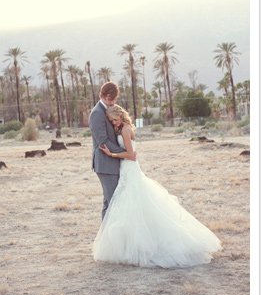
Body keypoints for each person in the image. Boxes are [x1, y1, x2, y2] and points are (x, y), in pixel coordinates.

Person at [92, 104, 222, 267]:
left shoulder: (125, 129)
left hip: (129, 168)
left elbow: (130, 155)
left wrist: (111, 154)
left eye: (114, 120)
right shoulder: (122, 128)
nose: (113, 123)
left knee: (133, 202)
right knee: (129, 205)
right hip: (126, 169)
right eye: (111, 121)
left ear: (121, 116)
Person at [89, 81, 137, 220]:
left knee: (109, 204)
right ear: (101, 96)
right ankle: (110, 239)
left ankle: (106, 239)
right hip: (105, 165)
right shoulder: (97, 114)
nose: (112, 102)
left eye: (115, 99)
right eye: (110, 99)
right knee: (115, 204)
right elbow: (103, 142)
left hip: (114, 163)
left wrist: (126, 152)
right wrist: (126, 152)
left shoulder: (111, 109)